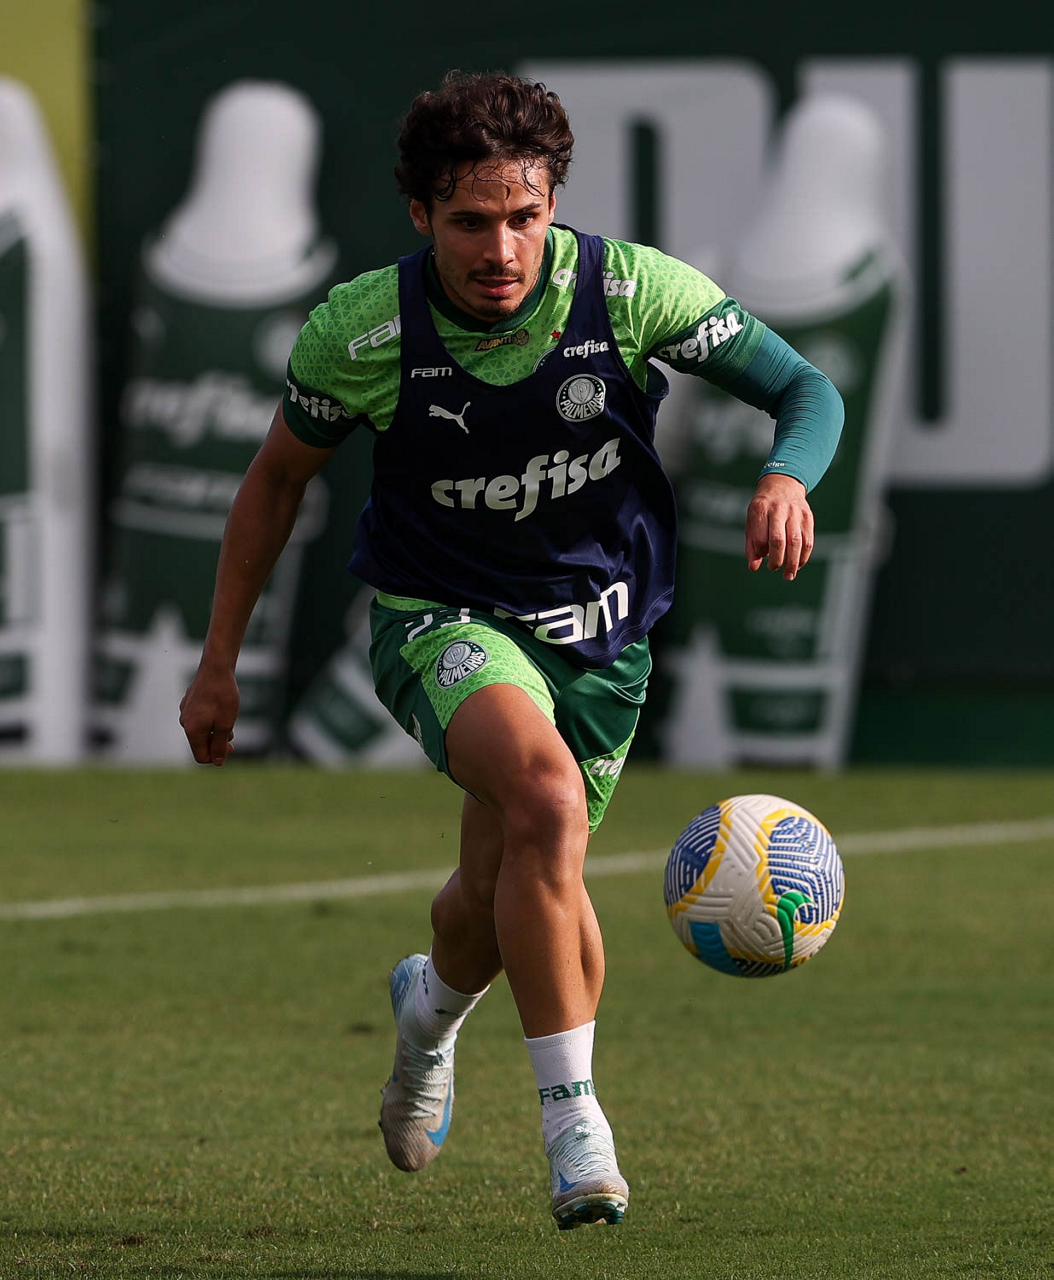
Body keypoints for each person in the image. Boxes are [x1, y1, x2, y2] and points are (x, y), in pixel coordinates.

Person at [179, 70, 844, 1230]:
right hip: (438, 616)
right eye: (470, 221)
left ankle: (425, 1017)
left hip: (599, 637)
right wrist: (218, 659)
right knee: (546, 801)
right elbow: (275, 482)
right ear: (421, 215)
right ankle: (575, 1128)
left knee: (489, 902)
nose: (500, 247)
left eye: (523, 216)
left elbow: (804, 387)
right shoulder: (364, 330)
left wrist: (787, 476)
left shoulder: (628, 290)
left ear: (552, 204)